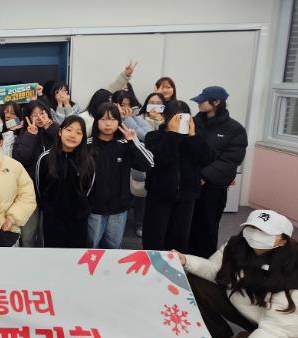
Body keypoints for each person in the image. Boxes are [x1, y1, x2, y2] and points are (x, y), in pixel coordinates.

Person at [175, 210, 298, 338]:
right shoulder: (236, 246)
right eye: (252, 227)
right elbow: (215, 271)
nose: (255, 234)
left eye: (264, 232)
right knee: (197, 280)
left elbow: (282, 331)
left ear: (282, 240)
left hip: (294, 335)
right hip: (258, 313)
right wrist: (186, 260)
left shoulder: (296, 278)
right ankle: (220, 335)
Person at [142, 101, 212, 252]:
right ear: (166, 117)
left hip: (186, 197)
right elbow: (163, 159)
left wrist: (193, 136)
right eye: (176, 118)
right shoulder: (154, 137)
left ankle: (175, 264)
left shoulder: (194, 138)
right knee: (154, 237)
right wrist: (173, 135)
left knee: (179, 238)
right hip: (159, 195)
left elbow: (206, 159)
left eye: (184, 117)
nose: (180, 121)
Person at [188, 86, 248, 258]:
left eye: (202, 100)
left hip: (213, 188)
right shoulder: (193, 122)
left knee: (207, 227)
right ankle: (183, 260)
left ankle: (204, 263)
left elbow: (230, 160)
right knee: (186, 224)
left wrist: (204, 176)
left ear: (216, 102)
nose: (198, 103)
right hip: (189, 183)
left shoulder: (235, 129)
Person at [88, 103, 154, 249]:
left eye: (112, 119)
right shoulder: (88, 145)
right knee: (91, 248)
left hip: (119, 208)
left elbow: (149, 163)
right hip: (94, 208)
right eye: (103, 119)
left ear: (119, 121)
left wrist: (133, 141)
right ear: (96, 121)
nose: (108, 123)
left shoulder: (125, 144)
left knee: (114, 247)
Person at [35, 116, 95, 248]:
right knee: (53, 253)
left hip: (78, 220)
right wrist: (48, 207)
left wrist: (80, 208)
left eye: (78, 132)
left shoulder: (87, 161)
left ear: (83, 137)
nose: (73, 135)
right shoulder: (45, 158)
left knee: (77, 254)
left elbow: (89, 189)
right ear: (60, 131)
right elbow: (39, 188)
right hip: (52, 219)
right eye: (69, 130)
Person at [12, 100, 59, 247]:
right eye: (34, 115)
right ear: (27, 117)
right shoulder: (23, 135)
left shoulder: (56, 131)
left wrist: (50, 128)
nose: (39, 117)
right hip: (30, 195)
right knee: (28, 236)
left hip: (52, 193)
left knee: (49, 235)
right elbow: (20, 159)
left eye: (42, 113)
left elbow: (66, 146)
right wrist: (30, 135)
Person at [123, 92, 167, 237]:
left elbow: (163, 139)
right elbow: (144, 135)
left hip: (161, 162)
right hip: (142, 160)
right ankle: (140, 223)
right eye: (151, 102)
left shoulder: (167, 121)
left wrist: (159, 122)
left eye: (158, 103)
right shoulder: (138, 118)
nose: (154, 106)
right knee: (141, 193)